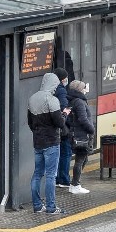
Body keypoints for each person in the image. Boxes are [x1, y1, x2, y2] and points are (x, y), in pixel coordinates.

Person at [27, 72, 68, 214]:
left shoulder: (32, 99)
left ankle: (37, 206)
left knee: (37, 174)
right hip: (51, 142)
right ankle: (51, 207)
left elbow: (30, 123)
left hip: (38, 142)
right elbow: (60, 123)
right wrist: (65, 114)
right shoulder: (52, 100)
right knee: (51, 175)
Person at [66, 80, 93, 194]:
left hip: (76, 134)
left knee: (83, 158)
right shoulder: (80, 102)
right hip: (81, 135)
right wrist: (91, 129)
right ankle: (75, 185)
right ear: (79, 90)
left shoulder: (72, 100)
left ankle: (75, 183)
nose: (85, 90)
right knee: (80, 159)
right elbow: (83, 119)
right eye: (83, 88)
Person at [54, 68, 73, 189]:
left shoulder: (51, 89)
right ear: (62, 79)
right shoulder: (61, 90)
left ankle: (56, 178)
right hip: (63, 127)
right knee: (66, 153)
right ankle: (64, 179)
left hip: (54, 127)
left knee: (57, 154)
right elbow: (64, 107)